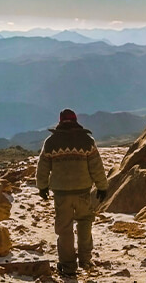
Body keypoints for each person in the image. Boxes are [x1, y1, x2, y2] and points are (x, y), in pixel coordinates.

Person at [36, 108, 108, 276]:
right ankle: (85, 259)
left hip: (61, 193)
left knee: (64, 228)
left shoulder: (51, 142)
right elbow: (97, 166)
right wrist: (102, 186)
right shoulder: (87, 141)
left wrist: (42, 186)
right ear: (76, 120)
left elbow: (43, 167)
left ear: (60, 122)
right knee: (85, 222)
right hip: (83, 191)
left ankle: (68, 266)